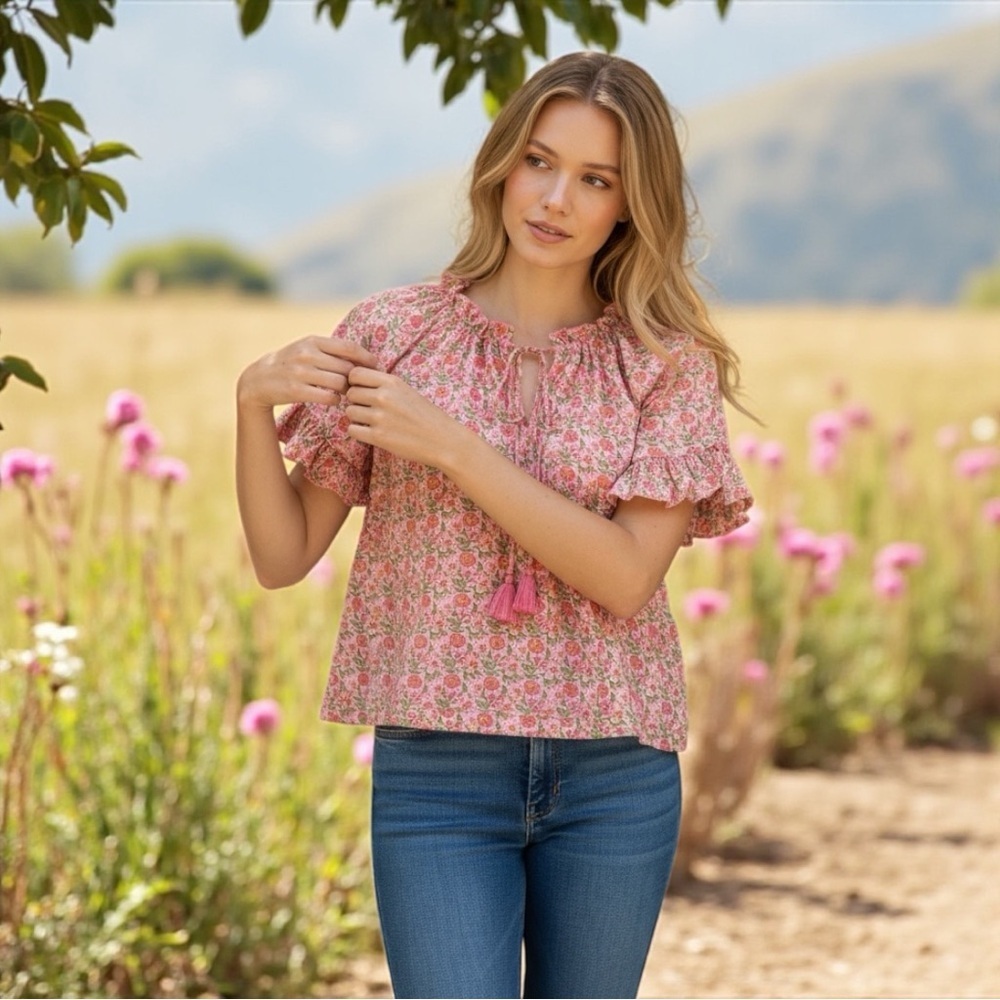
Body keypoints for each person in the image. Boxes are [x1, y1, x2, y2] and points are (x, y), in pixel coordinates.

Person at [236, 50, 752, 1000]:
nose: (555, 199)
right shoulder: (394, 335)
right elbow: (280, 557)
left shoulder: (663, 367)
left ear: (630, 204)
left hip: (614, 772)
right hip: (438, 774)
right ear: (502, 164)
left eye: (596, 179)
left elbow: (627, 576)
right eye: (539, 162)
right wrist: (247, 407)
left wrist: (453, 447)